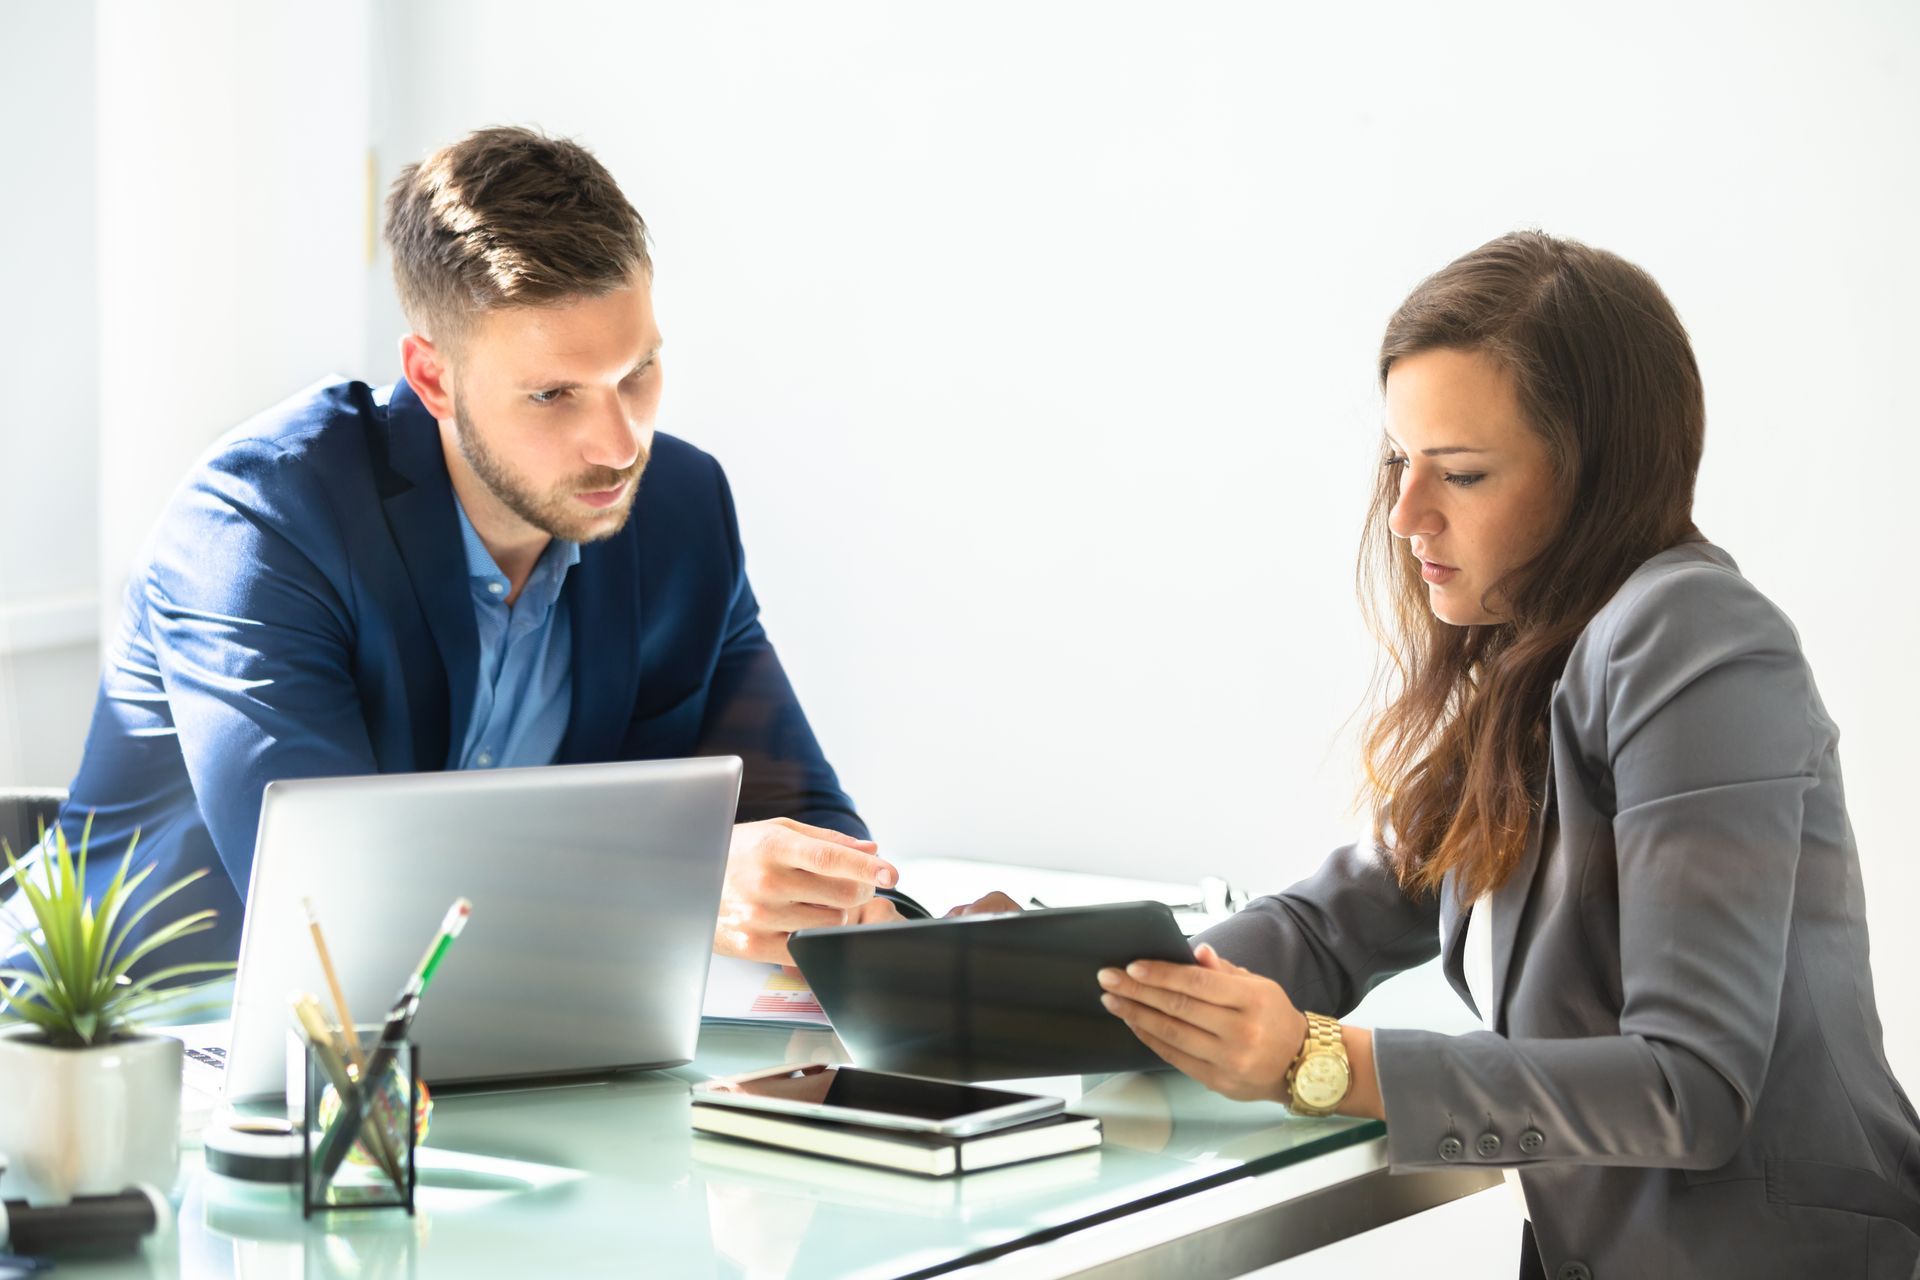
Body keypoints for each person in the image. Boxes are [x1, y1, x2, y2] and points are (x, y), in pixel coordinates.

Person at [1095, 232, 1920, 1277]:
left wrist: (1318, 1060)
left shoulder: (1695, 636)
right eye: (1399, 461)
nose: (1404, 516)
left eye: (1464, 473)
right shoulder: (1532, 668)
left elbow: (1691, 1087)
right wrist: (1039, 981)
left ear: (1596, 477)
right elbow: (1326, 923)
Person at [51, 126, 1004, 972]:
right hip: (146, 1069)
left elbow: (796, 810)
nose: (619, 443)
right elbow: (327, 904)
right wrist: (674, 890)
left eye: (639, 374)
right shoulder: (260, 523)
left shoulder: (676, 507)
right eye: (554, 395)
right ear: (433, 376)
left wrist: (886, 920)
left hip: (493, 1061)